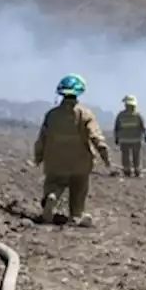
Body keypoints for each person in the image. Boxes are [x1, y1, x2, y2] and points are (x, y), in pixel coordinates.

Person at [33, 73, 111, 226]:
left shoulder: (51, 115)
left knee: (54, 182)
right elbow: (96, 137)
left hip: (55, 160)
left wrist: (38, 156)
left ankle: (52, 196)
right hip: (80, 162)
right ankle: (76, 215)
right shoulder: (85, 114)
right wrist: (105, 156)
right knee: (78, 188)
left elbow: (42, 138)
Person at [113, 94, 146, 177]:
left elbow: (117, 127)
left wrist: (116, 138)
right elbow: (143, 126)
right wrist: (145, 135)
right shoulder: (138, 115)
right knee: (135, 156)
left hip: (126, 140)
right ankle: (135, 171)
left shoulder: (121, 115)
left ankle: (128, 170)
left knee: (127, 156)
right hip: (135, 140)